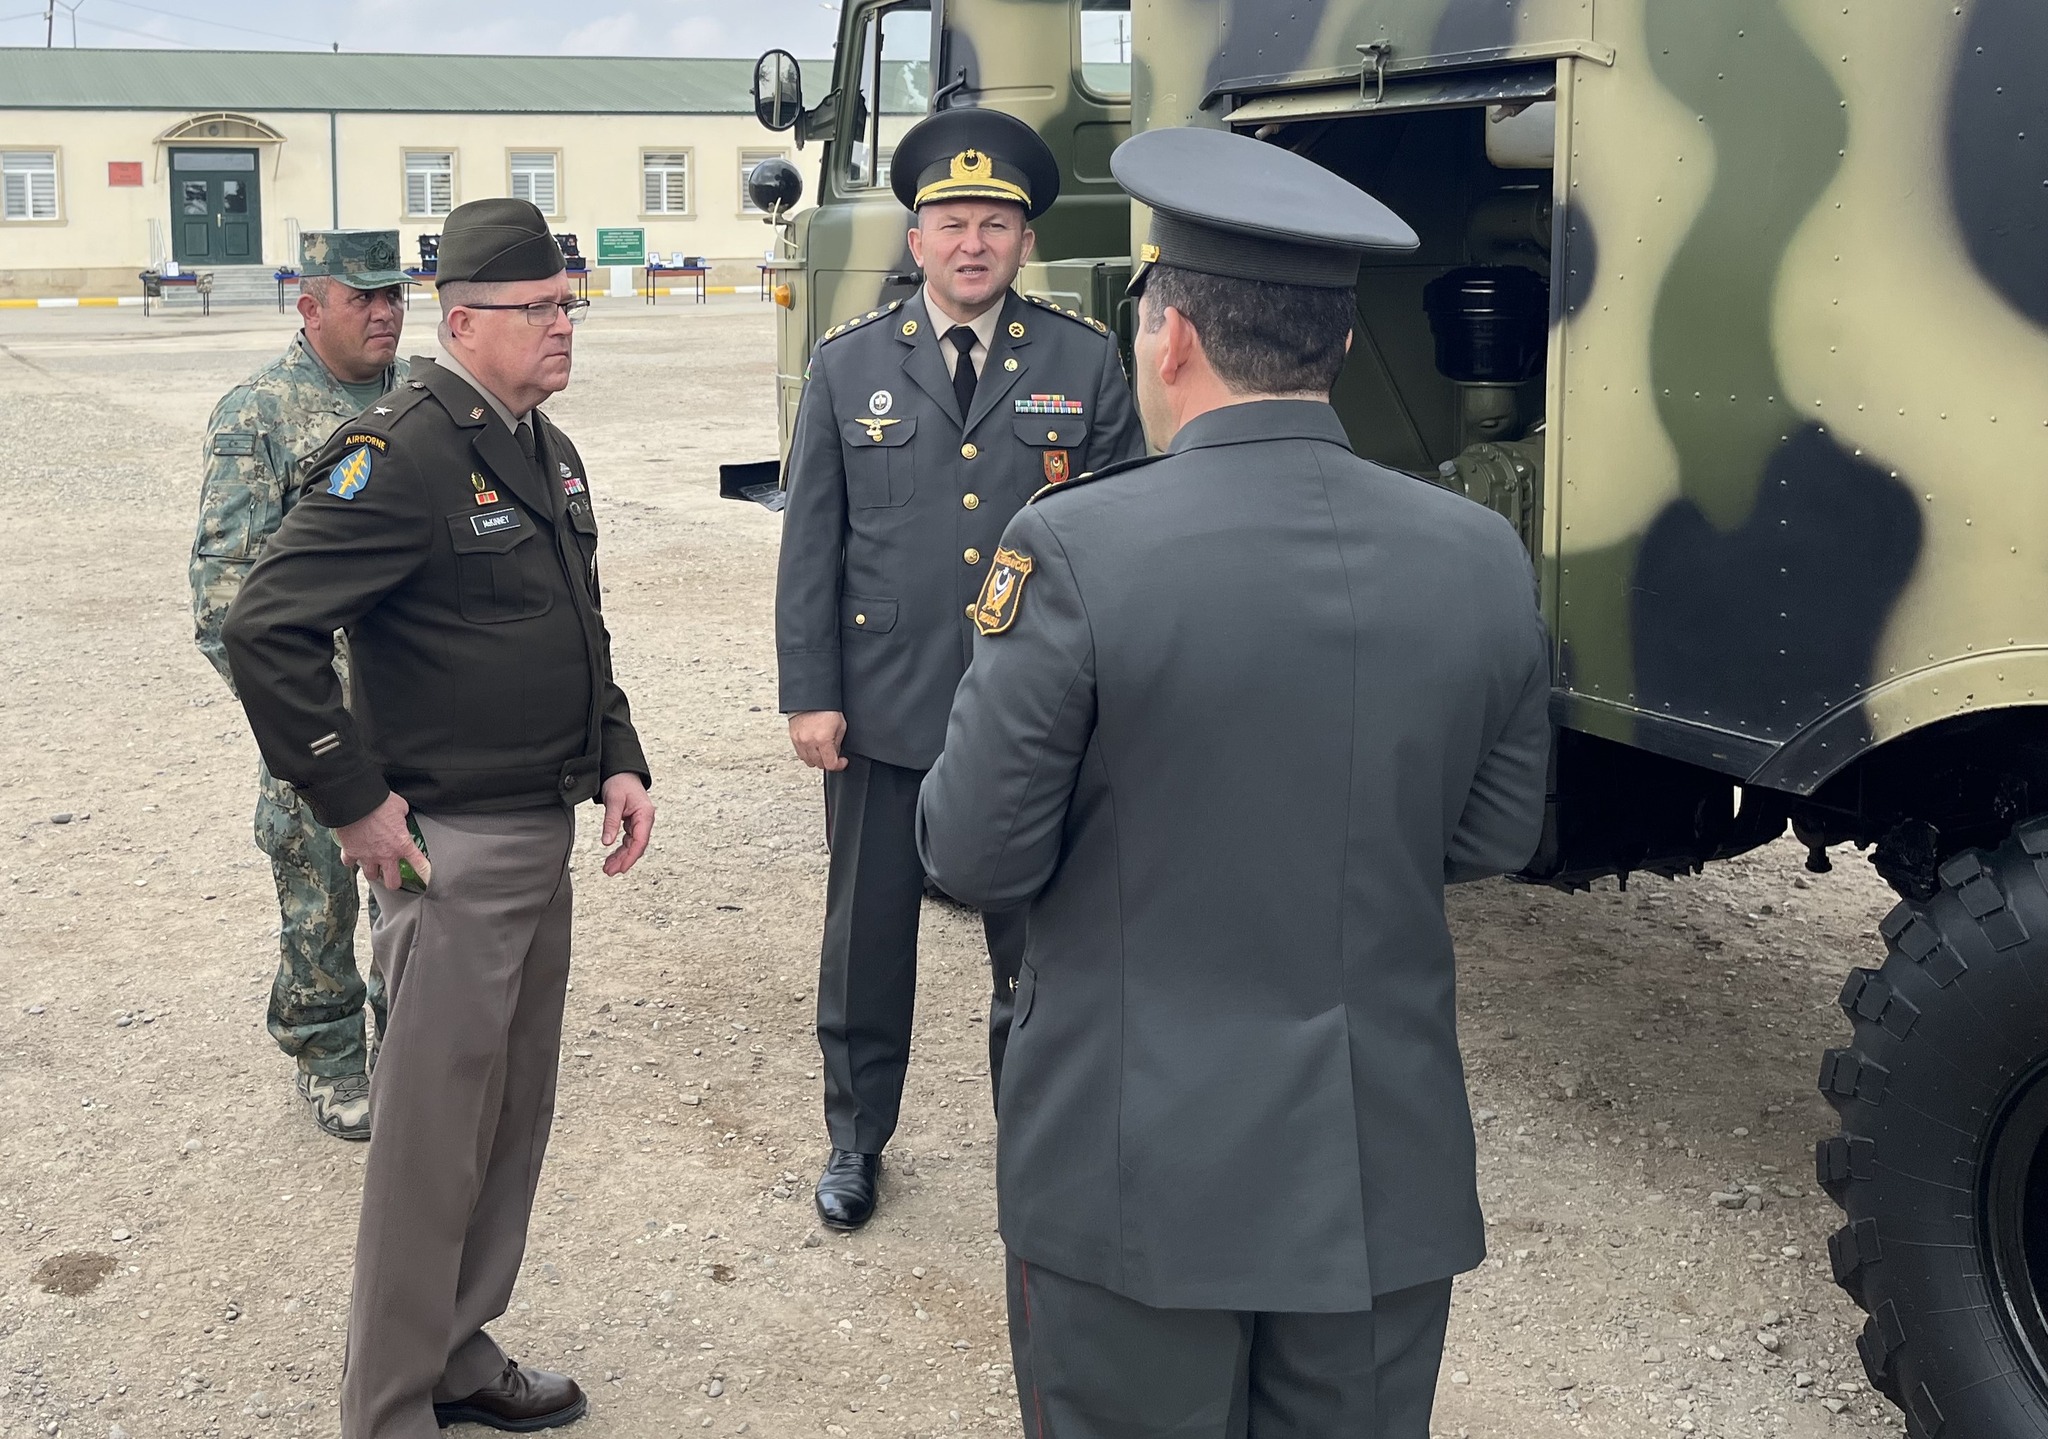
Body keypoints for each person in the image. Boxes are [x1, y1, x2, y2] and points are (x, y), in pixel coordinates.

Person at [916, 125, 1554, 1437]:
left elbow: (972, 849)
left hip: (1132, 1164)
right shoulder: (1479, 551)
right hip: (1377, 1165)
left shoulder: (1073, 547)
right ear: (1342, 342)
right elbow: (1494, 831)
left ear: (1171, 338)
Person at [222, 197, 653, 1439]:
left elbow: (575, 623)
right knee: (429, 1141)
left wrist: (616, 756)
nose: (564, 325)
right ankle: (388, 1404)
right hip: (450, 853)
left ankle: (459, 1348)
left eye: (569, 304)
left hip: (539, 828)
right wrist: (352, 799)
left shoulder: (542, 447)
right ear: (463, 322)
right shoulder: (401, 451)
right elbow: (266, 627)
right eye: (541, 308)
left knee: (507, 1121)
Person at [776, 107, 1146, 1232]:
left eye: (994, 223)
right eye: (951, 223)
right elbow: (812, 545)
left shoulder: (1084, 361)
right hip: (883, 707)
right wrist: (810, 694)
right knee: (865, 940)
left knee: (1038, 946)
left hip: (1035, 714)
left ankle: (1035, 1145)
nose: (972, 243)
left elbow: (1125, 539)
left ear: (1026, 240)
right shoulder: (848, 365)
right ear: (916, 238)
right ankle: (855, 1138)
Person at [190, 229, 410, 1140]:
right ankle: (328, 1054)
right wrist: (302, 717)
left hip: (423, 708)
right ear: (310, 306)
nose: (386, 312)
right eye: (363, 297)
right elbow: (224, 598)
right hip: (320, 716)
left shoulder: (426, 399)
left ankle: (409, 1046)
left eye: (395, 294)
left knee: (421, 885)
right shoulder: (262, 414)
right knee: (319, 889)